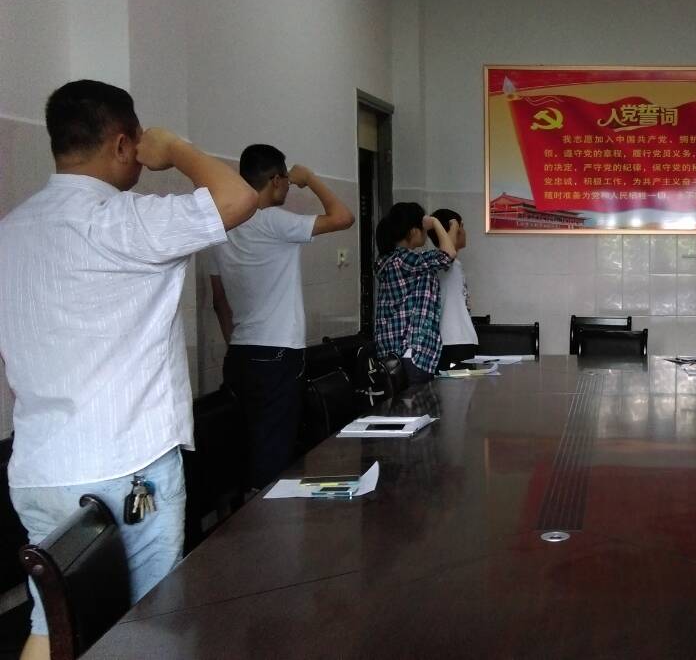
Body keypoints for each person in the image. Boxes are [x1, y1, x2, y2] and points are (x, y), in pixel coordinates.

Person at [0, 80, 257, 660]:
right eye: (136, 144)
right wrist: (177, 149)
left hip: (39, 473)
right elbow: (238, 198)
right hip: (128, 470)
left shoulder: (10, 231)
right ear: (122, 144)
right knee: (150, 622)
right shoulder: (126, 221)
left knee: (52, 622)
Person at [210, 144, 354, 490]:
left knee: (245, 446)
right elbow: (343, 217)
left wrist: (237, 343)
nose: (289, 186)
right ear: (275, 180)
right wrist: (311, 179)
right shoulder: (273, 220)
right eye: (287, 180)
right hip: (278, 353)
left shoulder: (222, 226)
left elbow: (219, 300)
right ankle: (271, 519)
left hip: (240, 353)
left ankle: (248, 515)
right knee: (275, 452)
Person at [373, 203, 458, 384]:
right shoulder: (405, 260)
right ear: (413, 231)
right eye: (423, 228)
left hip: (394, 353)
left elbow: (445, 255)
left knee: (405, 401)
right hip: (410, 353)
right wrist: (435, 222)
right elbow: (448, 254)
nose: (426, 233)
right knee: (417, 401)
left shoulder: (390, 260)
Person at [427, 208, 479, 371]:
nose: (464, 232)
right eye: (461, 227)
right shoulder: (442, 264)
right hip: (452, 340)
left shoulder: (453, 264)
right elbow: (446, 254)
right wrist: (453, 227)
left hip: (461, 339)